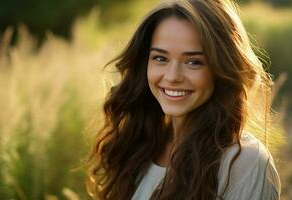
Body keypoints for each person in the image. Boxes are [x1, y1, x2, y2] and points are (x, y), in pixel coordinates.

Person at [86, 0, 281, 199]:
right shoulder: (138, 145)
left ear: (221, 68)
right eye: (160, 58)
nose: (172, 76)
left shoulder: (244, 161)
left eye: (193, 62)